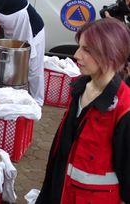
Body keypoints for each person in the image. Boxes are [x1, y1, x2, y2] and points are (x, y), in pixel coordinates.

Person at [37, 18, 130, 204]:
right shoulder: (80, 88)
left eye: (87, 50)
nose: (77, 55)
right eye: (79, 47)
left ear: (111, 54)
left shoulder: (124, 109)